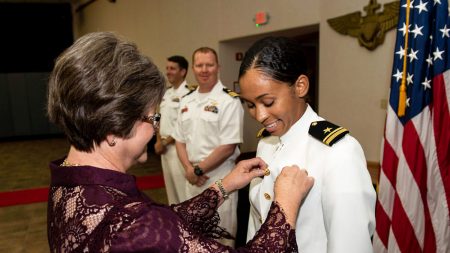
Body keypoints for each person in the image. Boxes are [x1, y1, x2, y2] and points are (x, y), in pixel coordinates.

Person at [46, 32, 314, 252]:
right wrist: (285, 206)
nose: (155, 130)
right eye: (152, 118)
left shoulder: (69, 184)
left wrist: (223, 186)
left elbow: (163, 227)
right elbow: (150, 231)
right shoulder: (131, 224)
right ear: (115, 125)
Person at [238, 36, 376, 253]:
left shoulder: (338, 151)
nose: (260, 115)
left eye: (268, 102)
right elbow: (256, 226)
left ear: (300, 86)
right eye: (250, 105)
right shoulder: (266, 143)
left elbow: (350, 245)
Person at [173, 47, 243, 246]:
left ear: (218, 67)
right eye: (200, 65)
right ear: (193, 68)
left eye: (209, 65)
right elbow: (180, 140)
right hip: (192, 180)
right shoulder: (186, 100)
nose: (204, 70)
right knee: (193, 232)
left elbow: (228, 146)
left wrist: (197, 169)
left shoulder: (229, 101)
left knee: (220, 236)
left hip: (219, 178)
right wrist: (188, 168)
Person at [154, 55, 193, 204]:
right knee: (171, 191)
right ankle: (175, 221)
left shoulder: (188, 95)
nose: (168, 72)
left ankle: (187, 223)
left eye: (172, 68)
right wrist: (158, 140)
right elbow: (158, 117)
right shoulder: (166, 93)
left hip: (178, 149)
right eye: (167, 68)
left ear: (183, 72)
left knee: (183, 191)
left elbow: (183, 125)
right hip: (163, 148)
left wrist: (165, 142)